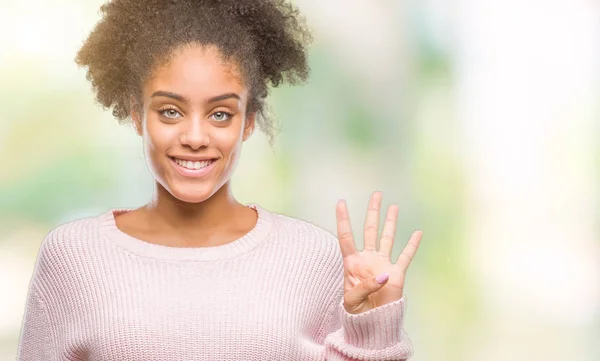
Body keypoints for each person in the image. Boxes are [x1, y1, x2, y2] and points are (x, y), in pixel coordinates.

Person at [16, 0, 423, 360]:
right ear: (137, 113)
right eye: (170, 111)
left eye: (220, 114)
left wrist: (373, 324)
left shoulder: (312, 259)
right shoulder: (73, 258)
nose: (195, 138)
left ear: (248, 122)